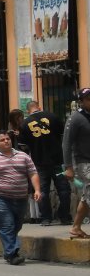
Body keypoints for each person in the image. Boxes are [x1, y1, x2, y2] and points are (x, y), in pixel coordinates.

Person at [0, 130, 41, 265]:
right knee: (7, 224)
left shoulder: (23, 156)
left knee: (16, 225)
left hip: (20, 198)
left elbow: (33, 173)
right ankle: (12, 254)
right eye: (2, 140)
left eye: (8, 139)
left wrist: (37, 190)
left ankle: (9, 250)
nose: (6, 141)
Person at [19, 100, 71, 226]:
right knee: (63, 190)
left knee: (42, 191)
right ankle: (64, 217)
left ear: (28, 111)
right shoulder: (52, 116)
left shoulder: (25, 124)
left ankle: (46, 218)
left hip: (39, 163)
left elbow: (23, 146)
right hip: (57, 161)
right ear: (40, 107)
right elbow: (63, 134)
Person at [62, 87, 90, 239]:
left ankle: (76, 227)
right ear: (81, 101)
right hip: (83, 163)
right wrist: (68, 167)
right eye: (88, 99)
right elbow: (66, 144)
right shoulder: (75, 118)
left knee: (87, 196)